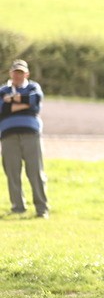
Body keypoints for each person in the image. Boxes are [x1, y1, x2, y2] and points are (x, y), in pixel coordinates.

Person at [0, 59, 49, 218]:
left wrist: (12, 100)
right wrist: (24, 102)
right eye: (15, 72)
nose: (17, 75)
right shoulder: (3, 90)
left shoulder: (33, 87)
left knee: (35, 172)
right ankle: (18, 207)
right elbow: (2, 108)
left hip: (31, 133)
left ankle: (41, 209)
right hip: (8, 135)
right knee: (12, 172)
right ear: (11, 73)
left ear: (26, 74)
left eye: (21, 73)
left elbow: (35, 101)